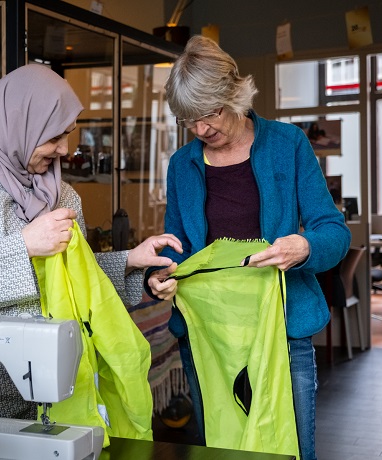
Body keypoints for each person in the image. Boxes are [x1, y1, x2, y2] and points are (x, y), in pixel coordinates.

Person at [0, 64, 182, 421]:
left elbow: (72, 283)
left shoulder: (62, 193)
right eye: (53, 138)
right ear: (21, 126)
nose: (65, 151)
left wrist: (131, 261)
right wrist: (24, 245)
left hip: (61, 393)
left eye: (68, 135)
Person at [145, 36, 350, 460]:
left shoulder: (288, 145)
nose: (201, 129)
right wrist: (159, 277)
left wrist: (304, 246)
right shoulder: (183, 164)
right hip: (209, 335)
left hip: (282, 330)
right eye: (189, 121)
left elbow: (334, 231)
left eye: (210, 114)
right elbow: (177, 250)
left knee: (290, 450)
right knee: (224, 449)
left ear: (234, 94)